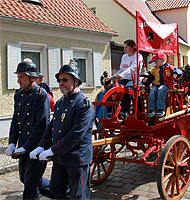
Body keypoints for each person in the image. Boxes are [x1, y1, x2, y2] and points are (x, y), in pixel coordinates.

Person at [29, 64, 95, 199]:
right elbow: (51, 127)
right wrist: (41, 146)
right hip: (60, 158)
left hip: (77, 159)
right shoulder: (60, 103)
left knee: (79, 196)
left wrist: (52, 150)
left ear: (76, 81)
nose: (61, 83)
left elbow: (76, 134)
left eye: (65, 80)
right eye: (59, 80)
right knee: (56, 190)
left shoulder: (84, 104)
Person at [4, 60, 52, 199]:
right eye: (18, 76)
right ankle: (62, 193)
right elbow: (15, 121)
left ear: (32, 77)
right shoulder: (18, 95)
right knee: (25, 178)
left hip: (36, 146)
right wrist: (12, 142)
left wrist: (27, 147)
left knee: (30, 186)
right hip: (23, 145)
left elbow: (42, 124)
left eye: (21, 77)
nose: (18, 80)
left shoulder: (41, 95)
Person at [107, 39, 143, 119]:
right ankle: (110, 112)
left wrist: (122, 75)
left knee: (127, 90)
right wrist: (113, 77)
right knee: (109, 90)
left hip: (134, 79)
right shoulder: (124, 56)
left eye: (126, 47)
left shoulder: (138, 56)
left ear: (133, 47)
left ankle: (123, 112)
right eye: (124, 47)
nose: (124, 49)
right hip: (124, 79)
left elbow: (132, 68)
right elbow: (121, 70)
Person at [143, 51, 182, 117]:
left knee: (161, 89)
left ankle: (161, 109)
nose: (155, 63)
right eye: (154, 62)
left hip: (167, 85)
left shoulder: (169, 67)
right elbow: (149, 78)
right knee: (152, 90)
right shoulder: (154, 69)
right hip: (156, 85)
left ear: (162, 60)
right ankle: (152, 110)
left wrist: (176, 74)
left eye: (157, 61)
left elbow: (178, 71)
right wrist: (145, 81)